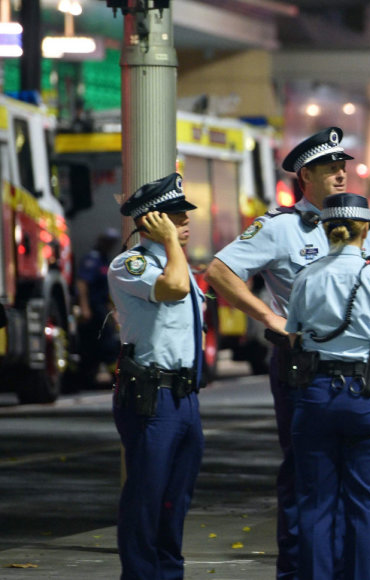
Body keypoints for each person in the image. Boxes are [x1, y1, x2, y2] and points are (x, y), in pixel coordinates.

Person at [204, 127, 370, 579]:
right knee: (306, 478)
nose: (342, 174)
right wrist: (269, 317)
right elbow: (220, 271)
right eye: (330, 168)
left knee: (354, 484)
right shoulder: (282, 228)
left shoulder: (359, 222)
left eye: (343, 166)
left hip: (360, 368)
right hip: (302, 366)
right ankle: (298, 569)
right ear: (305, 174)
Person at [286, 193, 370, 579]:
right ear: (366, 229)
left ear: (325, 229)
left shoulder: (305, 277)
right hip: (367, 393)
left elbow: (294, 335)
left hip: (316, 393)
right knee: (366, 504)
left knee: (316, 502)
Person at [108, 172, 206, 580]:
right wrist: (168, 243)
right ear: (151, 221)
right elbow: (174, 289)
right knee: (146, 500)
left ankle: (169, 573)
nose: (185, 222)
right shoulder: (131, 264)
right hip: (153, 397)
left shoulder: (175, 262)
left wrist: (172, 248)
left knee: (175, 501)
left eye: (184, 215)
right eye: (175, 215)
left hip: (184, 398)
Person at [76, 228, 121, 385]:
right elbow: (82, 283)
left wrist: (112, 309)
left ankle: (102, 374)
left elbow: (107, 288)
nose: (110, 245)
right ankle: (114, 375)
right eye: (108, 241)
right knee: (103, 340)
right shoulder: (92, 259)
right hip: (93, 307)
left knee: (104, 340)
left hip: (102, 306)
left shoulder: (105, 260)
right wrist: (85, 307)